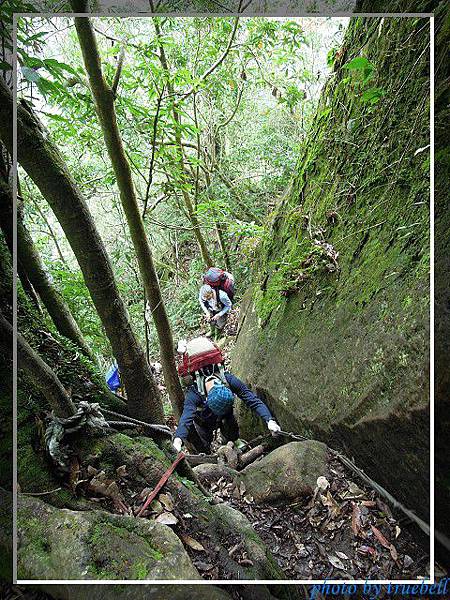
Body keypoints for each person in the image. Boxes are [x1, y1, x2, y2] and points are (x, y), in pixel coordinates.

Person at [172, 372, 281, 453]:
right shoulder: (194, 394)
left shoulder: (229, 380)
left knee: (231, 430)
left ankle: (232, 441)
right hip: (204, 420)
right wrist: (178, 440)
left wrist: (270, 420)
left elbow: (252, 399)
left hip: (226, 416)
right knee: (204, 443)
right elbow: (186, 418)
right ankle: (206, 452)